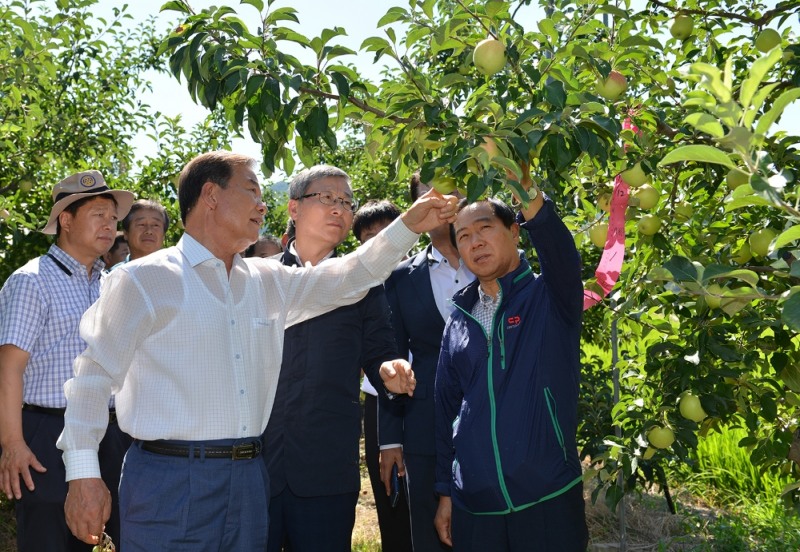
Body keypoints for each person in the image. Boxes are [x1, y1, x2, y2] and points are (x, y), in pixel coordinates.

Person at [56, 151, 458, 551]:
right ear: (211, 195)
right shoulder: (144, 280)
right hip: (170, 479)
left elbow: (350, 277)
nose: (263, 204)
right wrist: (83, 475)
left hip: (250, 478)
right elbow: (92, 379)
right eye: (252, 190)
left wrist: (408, 226)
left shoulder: (266, 281)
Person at [433, 178, 588, 551]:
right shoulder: (458, 317)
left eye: (486, 228)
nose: (475, 242)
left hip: (547, 492)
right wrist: (445, 492)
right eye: (464, 236)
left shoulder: (549, 295)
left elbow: (561, 252)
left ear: (515, 231)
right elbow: (445, 409)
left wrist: (525, 187)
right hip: (475, 503)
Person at [263, 169, 410, 552]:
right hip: (257, 463)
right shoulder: (259, 276)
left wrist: (388, 370)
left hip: (325, 465)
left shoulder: (363, 283)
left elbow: (379, 350)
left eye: (346, 202)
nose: (339, 209)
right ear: (294, 207)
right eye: (327, 198)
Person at [0, 170, 134, 552]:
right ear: (66, 219)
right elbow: (8, 368)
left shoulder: (112, 283)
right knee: (51, 537)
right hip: (47, 433)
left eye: (113, 218)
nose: (109, 225)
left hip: (111, 433)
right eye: (98, 214)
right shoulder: (32, 280)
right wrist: (12, 443)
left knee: (111, 538)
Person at [380, 174, 474, 551]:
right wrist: (390, 438)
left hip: (491, 414)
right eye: (430, 195)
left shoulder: (491, 259)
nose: (443, 202)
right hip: (425, 421)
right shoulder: (402, 277)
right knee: (429, 525)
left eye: (453, 192)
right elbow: (391, 356)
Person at [110, 198, 169, 268]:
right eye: (141, 224)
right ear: (126, 233)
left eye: (155, 225)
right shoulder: (113, 276)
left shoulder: (178, 273)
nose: (149, 231)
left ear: (163, 235)